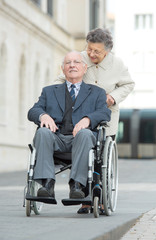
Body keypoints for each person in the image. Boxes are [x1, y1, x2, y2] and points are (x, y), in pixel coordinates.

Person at [55, 28, 135, 213]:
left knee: (99, 158)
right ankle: (84, 199)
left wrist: (113, 97)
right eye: (89, 49)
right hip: (78, 118)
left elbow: (128, 84)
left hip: (105, 118)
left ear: (107, 51)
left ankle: (98, 197)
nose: (91, 54)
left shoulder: (118, 64)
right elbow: (60, 80)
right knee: (81, 150)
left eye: (96, 51)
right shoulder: (80, 58)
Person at [28, 51, 111, 200]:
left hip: (81, 140)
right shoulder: (49, 91)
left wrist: (88, 119)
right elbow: (33, 111)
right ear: (63, 69)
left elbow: (105, 113)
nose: (72, 65)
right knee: (42, 132)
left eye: (76, 62)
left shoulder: (97, 93)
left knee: (86, 133)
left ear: (85, 68)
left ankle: (77, 185)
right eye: (68, 63)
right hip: (56, 138)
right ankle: (47, 184)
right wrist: (43, 115)